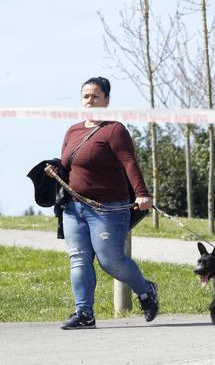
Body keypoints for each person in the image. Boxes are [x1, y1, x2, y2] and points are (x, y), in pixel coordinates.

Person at [56, 77, 158, 329]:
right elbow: (67, 164)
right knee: (78, 258)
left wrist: (142, 193)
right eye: (85, 96)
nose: (89, 100)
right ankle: (84, 313)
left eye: (95, 96)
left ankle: (146, 291)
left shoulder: (115, 130)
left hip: (108, 208)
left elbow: (129, 163)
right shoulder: (72, 131)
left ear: (107, 101)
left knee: (110, 260)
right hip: (73, 208)